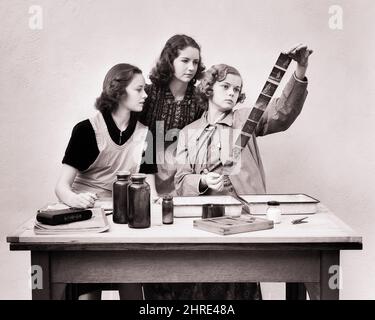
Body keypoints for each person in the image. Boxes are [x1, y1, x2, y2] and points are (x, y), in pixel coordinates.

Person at [168, 45, 313, 300]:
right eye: (226, 86)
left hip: (245, 223)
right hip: (202, 226)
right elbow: (180, 181)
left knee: (242, 287)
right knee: (200, 292)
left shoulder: (245, 118)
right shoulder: (188, 133)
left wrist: (300, 71)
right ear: (208, 88)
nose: (232, 93)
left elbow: (282, 112)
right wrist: (201, 180)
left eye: (237, 89)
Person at [55, 63, 155, 299]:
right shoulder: (86, 130)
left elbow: (151, 187)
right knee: (89, 287)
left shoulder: (147, 134)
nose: (145, 95)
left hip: (124, 218)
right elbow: (61, 187)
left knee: (130, 280)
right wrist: (75, 200)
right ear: (119, 92)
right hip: (87, 216)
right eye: (139, 89)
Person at [138, 34, 206, 195]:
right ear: (170, 60)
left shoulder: (200, 99)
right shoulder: (148, 93)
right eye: (185, 60)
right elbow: (137, 142)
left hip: (183, 175)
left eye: (195, 62)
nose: (191, 68)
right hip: (146, 174)